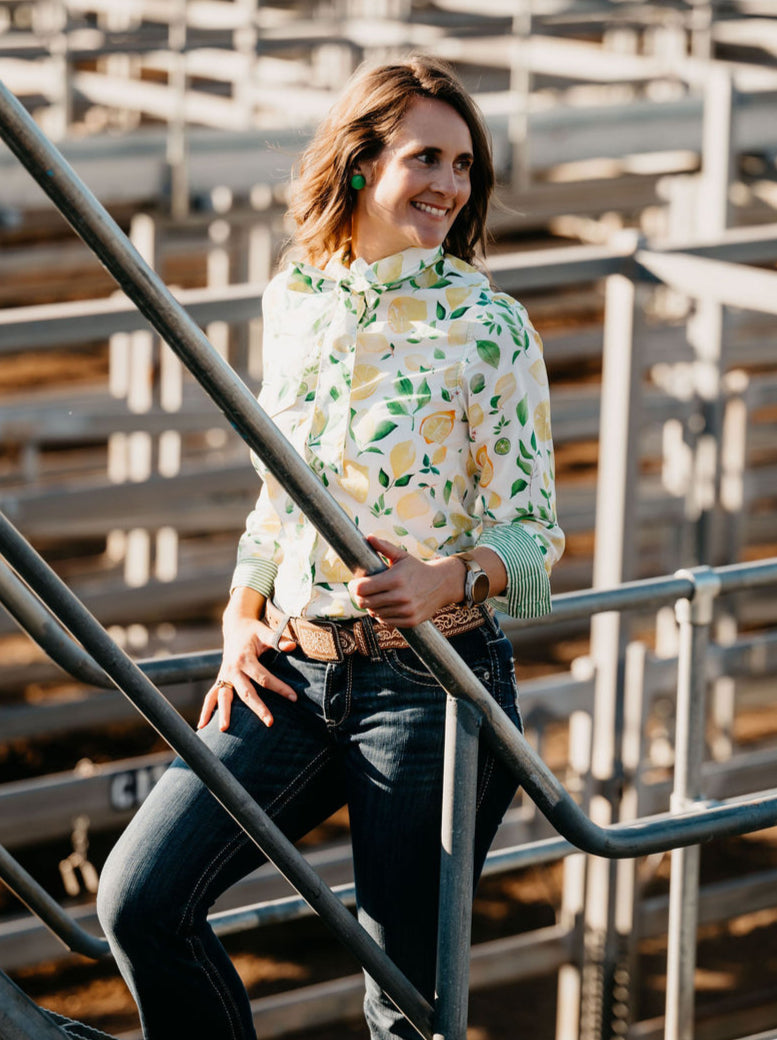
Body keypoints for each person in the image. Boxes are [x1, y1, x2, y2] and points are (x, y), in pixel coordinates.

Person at [97, 54, 564, 1040]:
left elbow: (533, 535)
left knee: (404, 1004)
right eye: (426, 157)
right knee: (140, 898)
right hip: (291, 670)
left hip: (434, 682)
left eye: (464, 166)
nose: (450, 185)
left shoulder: (489, 325)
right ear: (358, 164)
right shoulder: (295, 298)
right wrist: (239, 615)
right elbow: (279, 495)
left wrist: (446, 578)